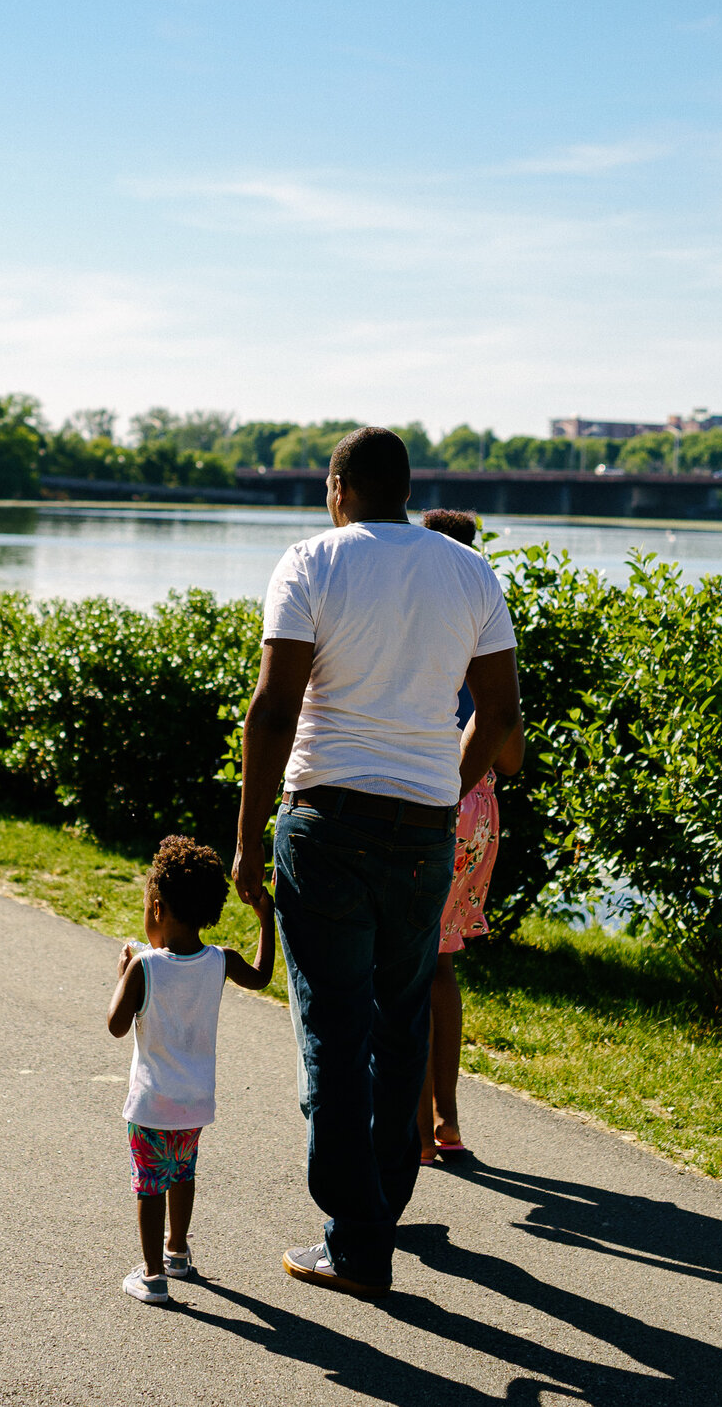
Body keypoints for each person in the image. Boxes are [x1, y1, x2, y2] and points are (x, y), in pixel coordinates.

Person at [233, 428, 521, 1300]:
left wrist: (248, 841)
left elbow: (275, 708)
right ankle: (378, 1213)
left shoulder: (311, 562)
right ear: (405, 489)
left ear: (338, 487)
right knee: (399, 1026)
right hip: (421, 833)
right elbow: (500, 719)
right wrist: (443, 786)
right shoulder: (471, 572)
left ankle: (357, 1243)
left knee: (331, 1031)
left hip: (324, 823)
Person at [105, 836, 277, 1304]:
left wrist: (124, 973)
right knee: (182, 1174)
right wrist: (267, 919)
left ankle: (153, 1275)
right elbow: (262, 976)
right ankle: (177, 1251)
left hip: (151, 1103)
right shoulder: (220, 960)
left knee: (149, 1182)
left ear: (157, 909)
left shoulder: (145, 967)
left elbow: (116, 1026)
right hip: (195, 1102)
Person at [413, 509, 524, 1165]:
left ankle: (416, 1133)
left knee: (399, 969)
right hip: (479, 811)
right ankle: (447, 1120)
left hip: (427, 800)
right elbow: (509, 759)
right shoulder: (488, 626)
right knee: (441, 965)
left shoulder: (417, 624)